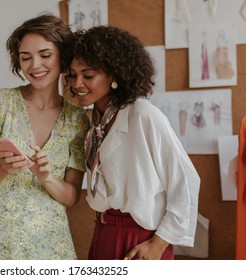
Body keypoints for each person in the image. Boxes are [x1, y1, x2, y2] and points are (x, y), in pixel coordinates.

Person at [66, 26, 200, 260]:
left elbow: (186, 181)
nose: (77, 83)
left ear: (115, 75)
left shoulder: (142, 114)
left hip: (141, 240)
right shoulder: (92, 122)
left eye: (88, 76)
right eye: (72, 74)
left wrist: (158, 244)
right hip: (103, 233)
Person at [0, 13, 90, 260]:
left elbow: (72, 196)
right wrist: (3, 168)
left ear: (62, 57)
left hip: (51, 243)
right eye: (25, 58)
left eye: (45, 55)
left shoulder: (77, 119)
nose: (35, 65)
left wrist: (47, 178)